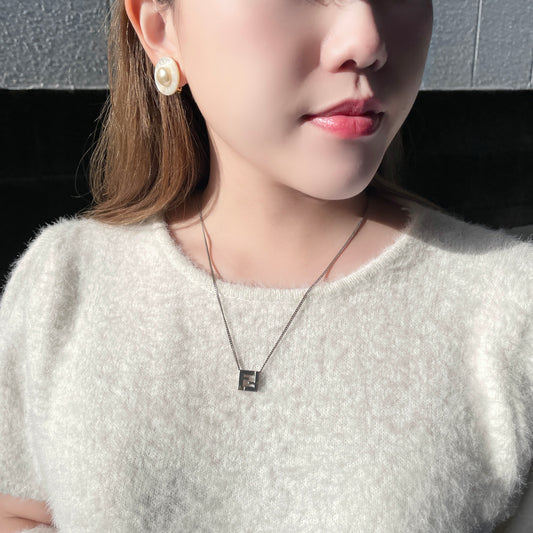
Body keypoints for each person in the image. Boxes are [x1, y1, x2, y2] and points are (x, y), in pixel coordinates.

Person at [0, 0, 532, 531]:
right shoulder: (64, 285)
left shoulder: (511, 315)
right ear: (161, 29)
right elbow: (16, 511)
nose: (367, 41)